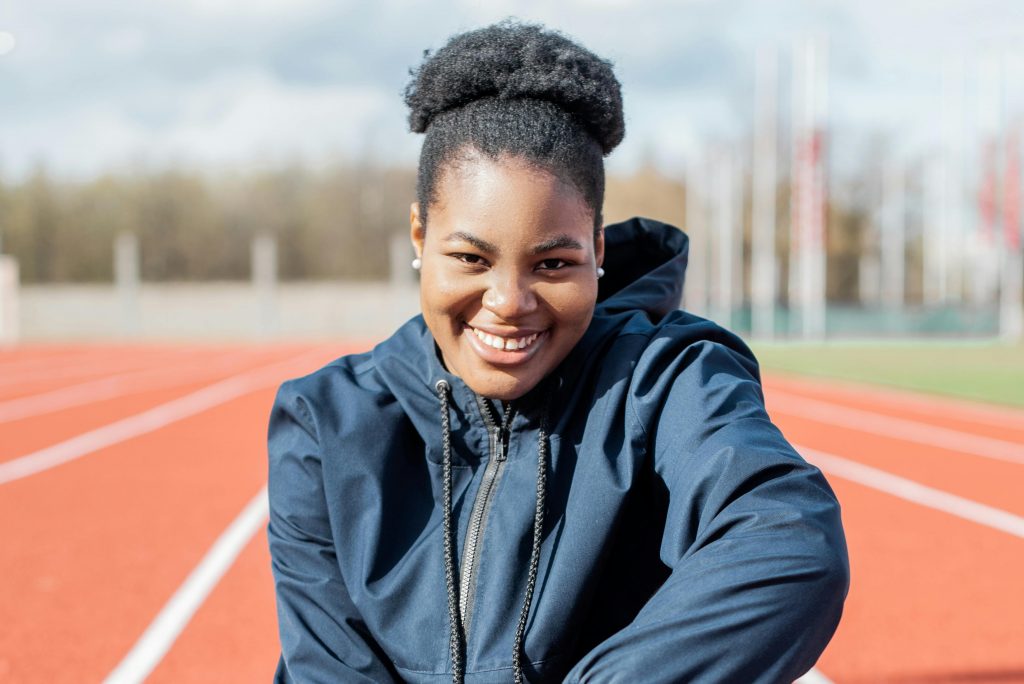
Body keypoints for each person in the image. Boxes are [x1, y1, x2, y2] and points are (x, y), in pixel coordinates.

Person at [267, 19, 849, 684]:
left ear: (597, 252)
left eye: (551, 263)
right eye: (470, 257)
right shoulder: (326, 422)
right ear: (420, 236)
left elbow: (790, 540)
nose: (510, 300)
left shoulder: (667, 381)